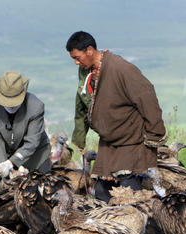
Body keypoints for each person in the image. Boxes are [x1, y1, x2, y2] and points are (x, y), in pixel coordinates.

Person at [66, 31, 167, 203]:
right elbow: (82, 103)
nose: (76, 62)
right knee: (102, 193)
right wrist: (80, 136)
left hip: (131, 140)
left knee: (130, 194)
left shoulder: (122, 69)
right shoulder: (87, 71)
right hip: (109, 142)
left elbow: (146, 97)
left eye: (77, 57)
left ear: (89, 50)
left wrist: (154, 134)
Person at [0, 71, 51, 195]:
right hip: (2, 152)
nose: (10, 106)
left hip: (34, 154)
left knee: (44, 187)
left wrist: (12, 163)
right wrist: (3, 163)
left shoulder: (36, 107)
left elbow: (32, 142)